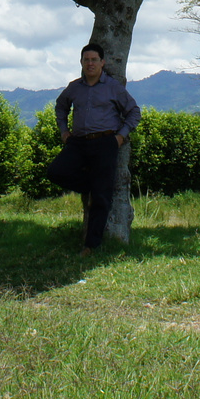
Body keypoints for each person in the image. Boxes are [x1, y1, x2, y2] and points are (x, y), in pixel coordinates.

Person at [47, 43, 141, 255]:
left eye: (94, 60)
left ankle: (91, 245)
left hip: (105, 142)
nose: (90, 64)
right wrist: (64, 131)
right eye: (86, 60)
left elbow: (134, 112)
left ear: (102, 62)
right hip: (78, 142)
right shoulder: (74, 87)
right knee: (55, 172)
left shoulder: (113, 87)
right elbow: (61, 106)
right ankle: (91, 185)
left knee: (101, 198)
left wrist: (120, 137)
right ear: (81, 63)